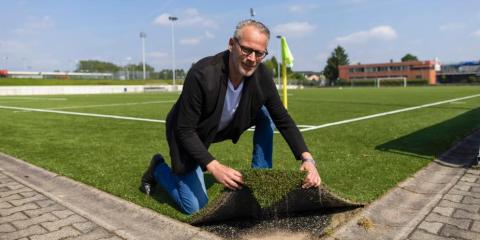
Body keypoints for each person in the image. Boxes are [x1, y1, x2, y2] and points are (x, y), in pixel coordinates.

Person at [140, 19, 321, 215]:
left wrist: (308, 159)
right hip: (188, 131)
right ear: (231, 44)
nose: (252, 58)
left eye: (259, 53)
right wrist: (214, 167)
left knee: (266, 115)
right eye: (246, 49)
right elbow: (184, 130)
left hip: (227, 124)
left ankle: (259, 178)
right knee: (195, 207)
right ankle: (158, 169)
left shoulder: (262, 76)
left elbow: (282, 118)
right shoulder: (202, 74)